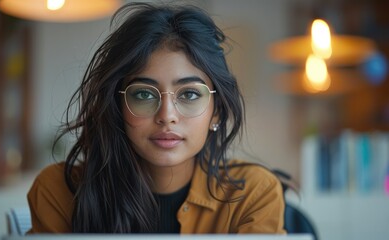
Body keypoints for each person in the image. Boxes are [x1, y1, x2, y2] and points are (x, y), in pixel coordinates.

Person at [27, 1, 286, 234]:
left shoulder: (254, 193)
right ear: (118, 106)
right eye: (143, 94)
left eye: (190, 95)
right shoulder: (58, 191)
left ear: (216, 111)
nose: (167, 116)